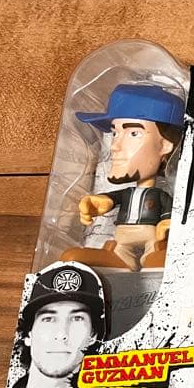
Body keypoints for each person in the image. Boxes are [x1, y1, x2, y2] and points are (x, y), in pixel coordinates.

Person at [61, 83, 184, 271]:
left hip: (154, 238)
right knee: (73, 257)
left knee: (158, 258)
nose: (114, 146)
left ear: (164, 146)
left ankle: (155, 258)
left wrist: (168, 224)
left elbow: (170, 210)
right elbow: (117, 197)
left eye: (134, 133)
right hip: (121, 239)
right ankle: (119, 260)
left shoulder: (160, 195)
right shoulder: (127, 192)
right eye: (115, 133)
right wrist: (104, 200)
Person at [6, 263, 105, 388]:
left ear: (93, 334)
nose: (61, 334)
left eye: (77, 318)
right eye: (48, 319)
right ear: (28, 334)